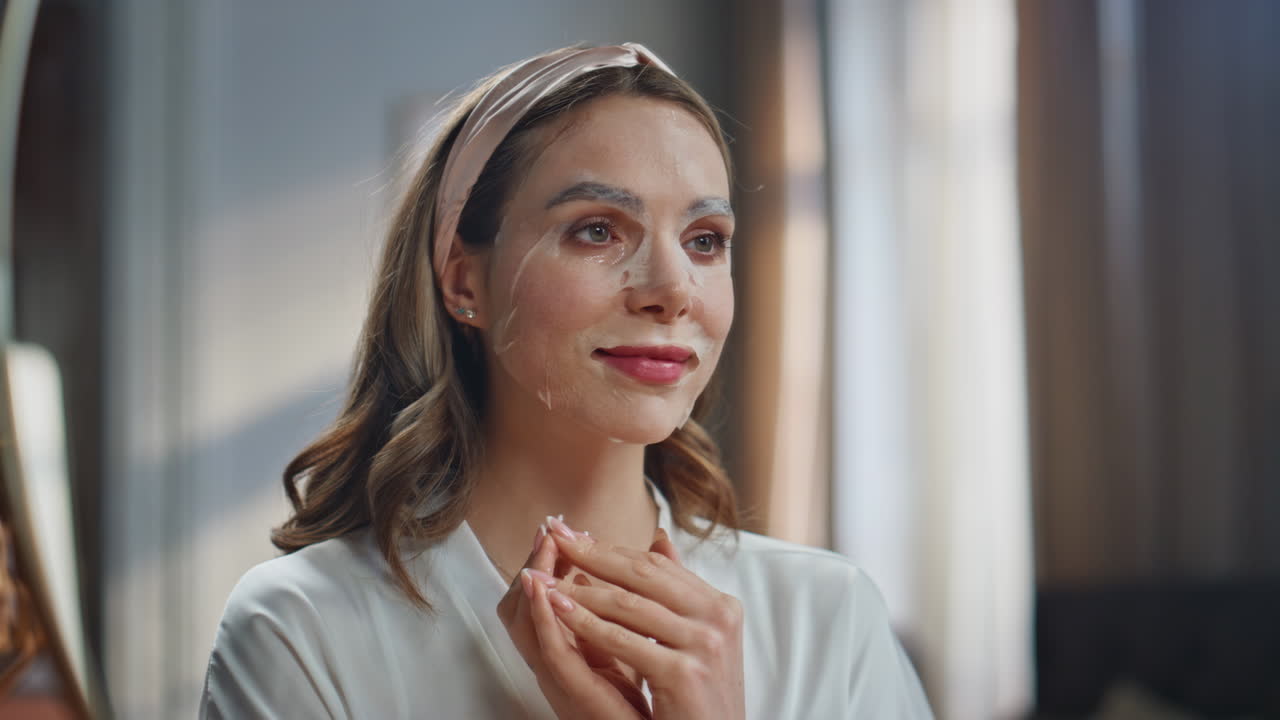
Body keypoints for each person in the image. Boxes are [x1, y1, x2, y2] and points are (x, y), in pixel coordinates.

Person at [199, 42, 933, 719]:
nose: (672, 290)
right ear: (465, 282)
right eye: (598, 230)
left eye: (704, 241)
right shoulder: (299, 628)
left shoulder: (829, 618)